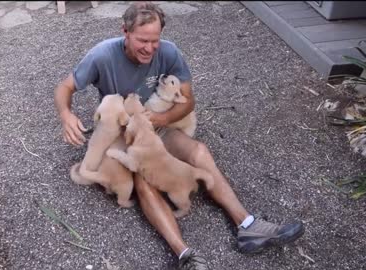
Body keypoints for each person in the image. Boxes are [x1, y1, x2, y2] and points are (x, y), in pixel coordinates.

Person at [54, 2, 305, 269]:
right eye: (142, 40)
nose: (149, 48)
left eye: (155, 40)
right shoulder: (102, 55)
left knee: (199, 152)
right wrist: (67, 115)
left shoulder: (169, 52)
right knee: (143, 178)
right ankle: (185, 255)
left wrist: (160, 119)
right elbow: (65, 87)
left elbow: (187, 101)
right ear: (125, 32)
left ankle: (248, 226)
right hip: (123, 132)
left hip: (157, 126)